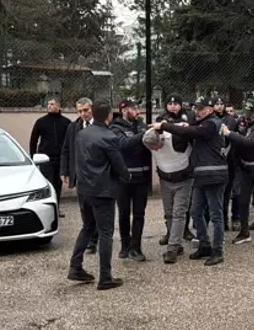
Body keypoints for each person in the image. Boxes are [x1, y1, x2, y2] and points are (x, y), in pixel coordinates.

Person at [152, 96, 228, 266]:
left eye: (201, 109)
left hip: (214, 175)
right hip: (201, 175)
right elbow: (192, 129)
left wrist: (165, 125)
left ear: (210, 109)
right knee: (195, 212)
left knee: (216, 215)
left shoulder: (212, 123)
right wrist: (187, 125)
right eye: (196, 108)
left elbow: (192, 132)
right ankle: (204, 245)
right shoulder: (202, 123)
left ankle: (217, 251)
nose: (197, 111)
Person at [68, 100, 129, 290]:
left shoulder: (82, 134)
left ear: (93, 114)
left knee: (87, 227)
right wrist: (126, 176)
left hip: (84, 189)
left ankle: (75, 267)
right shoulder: (108, 136)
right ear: (109, 116)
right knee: (106, 233)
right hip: (102, 191)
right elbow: (119, 166)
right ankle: (105, 277)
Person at [220, 97, 254, 248]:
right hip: (247, 168)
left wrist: (229, 133)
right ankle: (244, 232)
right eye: (245, 112)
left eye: (250, 112)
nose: (246, 115)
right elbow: (238, 134)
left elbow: (249, 141)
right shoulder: (243, 121)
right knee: (243, 200)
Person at [144, 121, 193, 264]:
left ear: (162, 139)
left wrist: (183, 125)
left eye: (157, 147)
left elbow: (188, 131)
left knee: (179, 213)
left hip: (183, 179)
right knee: (169, 213)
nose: (157, 150)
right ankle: (176, 243)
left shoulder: (175, 137)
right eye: (152, 149)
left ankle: (172, 248)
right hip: (165, 180)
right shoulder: (148, 137)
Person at [110, 99, 152, 262]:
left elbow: (149, 142)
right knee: (124, 213)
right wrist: (143, 136)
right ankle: (125, 245)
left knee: (139, 213)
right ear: (124, 110)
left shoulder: (141, 125)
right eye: (134, 108)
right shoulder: (115, 127)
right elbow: (123, 144)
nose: (138, 111)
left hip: (141, 177)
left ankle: (136, 247)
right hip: (124, 179)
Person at [156, 94, 196, 245]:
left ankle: (184, 230)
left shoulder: (189, 117)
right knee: (169, 208)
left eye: (176, 103)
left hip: (185, 165)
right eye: (170, 103)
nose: (173, 106)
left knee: (183, 206)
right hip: (167, 165)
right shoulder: (161, 118)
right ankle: (170, 232)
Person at [60, 97, 97, 252]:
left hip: (98, 175)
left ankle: (96, 237)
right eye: (80, 111)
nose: (83, 114)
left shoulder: (102, 125)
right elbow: (66, 149)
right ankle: (90, 237)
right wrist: (64, 171)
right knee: (85, 209)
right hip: (81, 176)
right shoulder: (73, 127)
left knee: (98, 208)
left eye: (86, 110)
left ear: (92, 109)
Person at [29, 97, 71, 217]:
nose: (49, 106)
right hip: (45, 158)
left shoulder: (66, 122)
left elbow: (69, 141)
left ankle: (56, 208)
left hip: (60, 158)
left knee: (58, 184)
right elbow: (34, 140)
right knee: (48, 183)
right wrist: (33, 156)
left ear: (58, 106)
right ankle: (48, 209)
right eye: (48, 104)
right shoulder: (41, 122)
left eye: (52, 104)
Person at [215, 98, 239, 230]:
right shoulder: (211, 119)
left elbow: (227, 137)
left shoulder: (229, 120)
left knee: (228, 193)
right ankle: (221, 221)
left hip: (229, 161)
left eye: (221, 104)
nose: (219, 107)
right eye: (216, 104)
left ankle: (232, 219)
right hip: (214, 161)